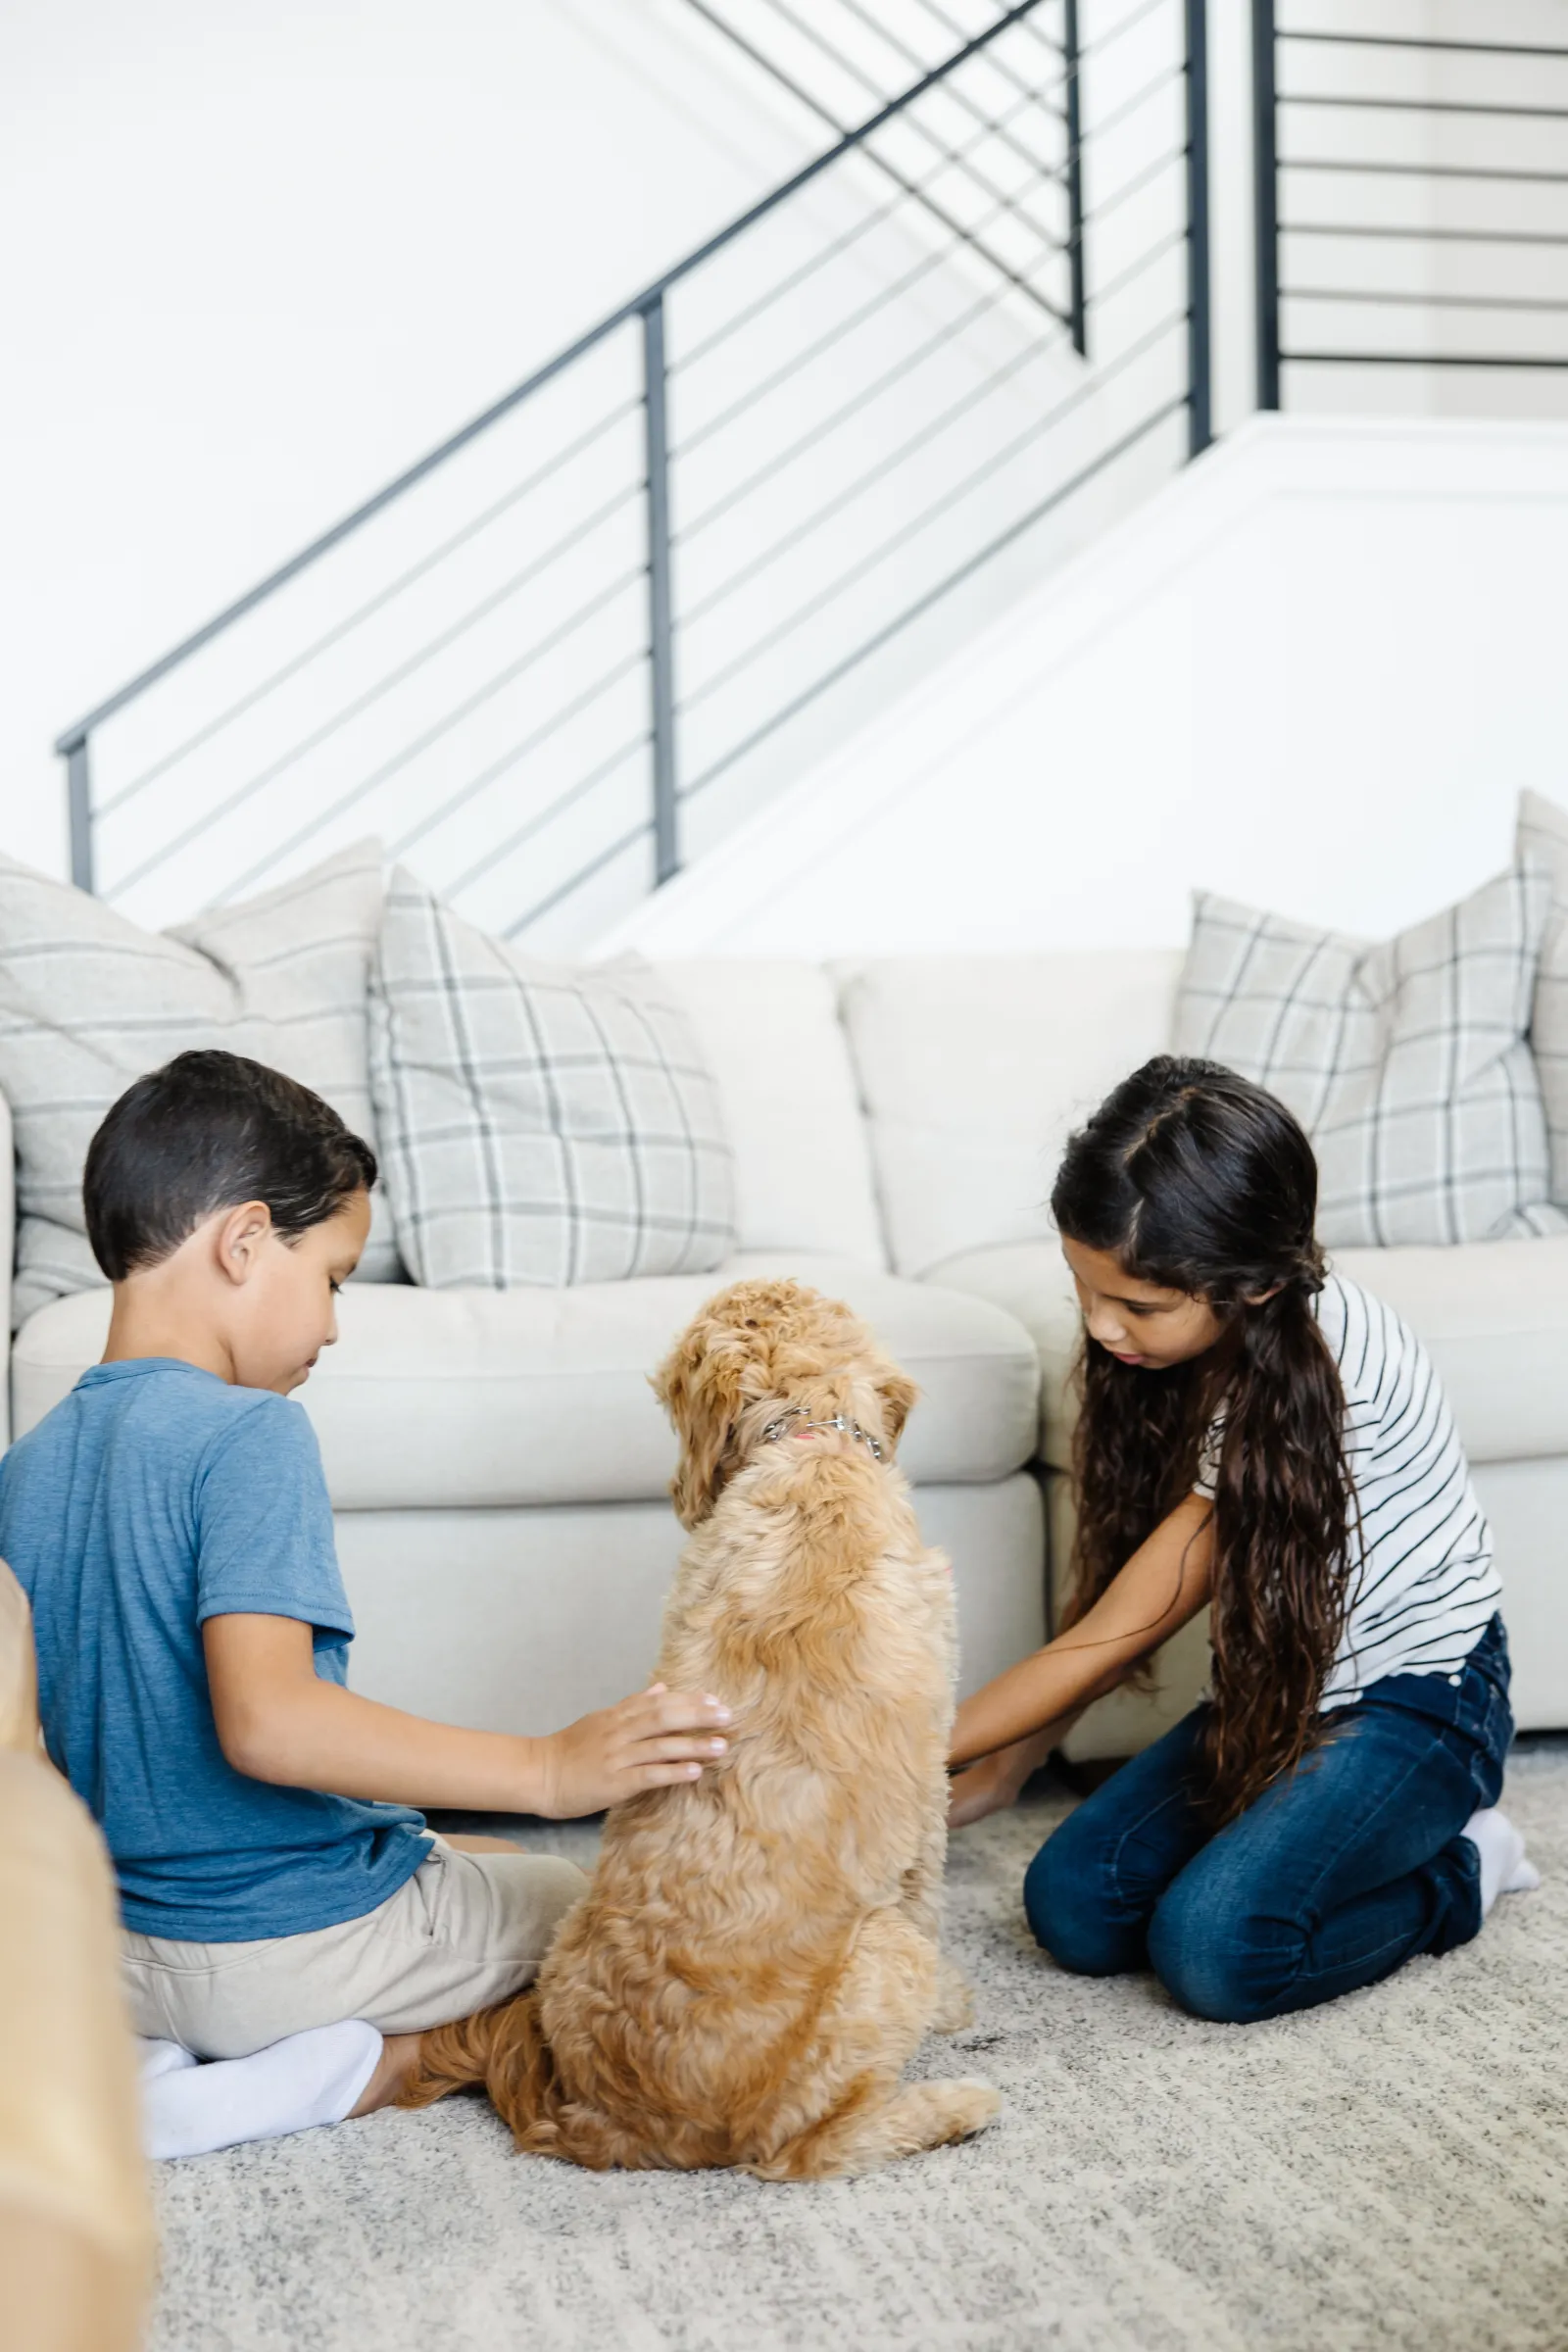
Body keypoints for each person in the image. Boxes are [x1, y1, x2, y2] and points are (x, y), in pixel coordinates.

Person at [0, 1051, 732, 2147]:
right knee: (606, 1912)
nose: (334, 1327)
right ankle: (391, 2056)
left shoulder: (27, 1465)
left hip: (125, 1957)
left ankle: (184, 2060)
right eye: (334, 1276)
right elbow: (271, 1723)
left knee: (464, 1862)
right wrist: (548, 1767)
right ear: (245, 1242)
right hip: (281, 1957)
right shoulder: (250, 1432)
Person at [947, 1056, 1538, 2024]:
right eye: (1082, 1288)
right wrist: (1009, 1766)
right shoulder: (1188, 1344)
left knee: (1216, 1949)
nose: (1099, 1329)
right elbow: (1111, 1597)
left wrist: (890, 1751)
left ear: (1252, 1282)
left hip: (1421, 1703)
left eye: (1135, 1306)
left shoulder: (1327, 1377)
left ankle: (1467, 1866)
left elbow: (1129, 1624)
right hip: (1282, 1696)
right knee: (1073, 1908)